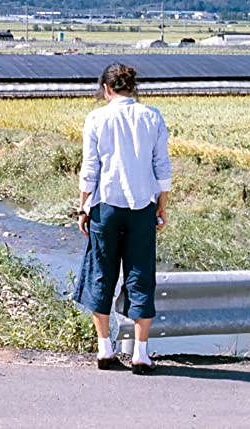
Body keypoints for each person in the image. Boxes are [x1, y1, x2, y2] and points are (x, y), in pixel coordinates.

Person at [76, 63, 172, 375]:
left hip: (105, 206)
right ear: (133, 88)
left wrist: (83, 207)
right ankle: (141, 355)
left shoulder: (96, 118)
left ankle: (105, 349)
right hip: (143, 206)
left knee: (101, 273)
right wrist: (162, 206)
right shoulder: (152, 116)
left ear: (106, 88)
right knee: (141, 275)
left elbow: (90, 168)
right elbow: (162, 167)